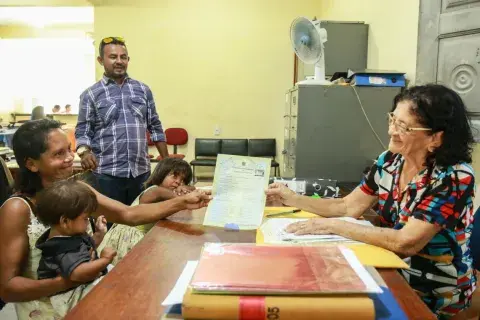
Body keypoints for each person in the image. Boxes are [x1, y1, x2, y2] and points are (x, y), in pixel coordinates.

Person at [267, 84, 476, 319]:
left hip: (432, 287)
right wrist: (290, 197)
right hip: (389, 264)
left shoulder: (454, 177)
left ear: (436, 138)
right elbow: (348, 206)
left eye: (403, 127)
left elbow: (407, 243)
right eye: (392, 120)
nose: (391, 131)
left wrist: (333, 226)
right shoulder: (390, 161)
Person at [0, 119, 209, 319]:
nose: (69, 158)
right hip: (51, 309)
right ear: (31, 163)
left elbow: (128, 214)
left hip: (89, 291)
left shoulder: (77, 190)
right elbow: (7, 289)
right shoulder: (18, 209)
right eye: (58, 154)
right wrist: (71, 280)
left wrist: (182, 202)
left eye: (69, 150)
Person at [75, 36, 169, 208]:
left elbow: (155, 126)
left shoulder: (142, 90)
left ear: (128, 60)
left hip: (141, 173)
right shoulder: (90, 95)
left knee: (141, 226)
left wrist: (166, 161)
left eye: (123, 57)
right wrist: (84, 152)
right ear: (100, 60)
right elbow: (83, 131)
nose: (119, 61)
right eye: (113, 57)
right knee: (110, 227)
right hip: (106, 174)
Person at [35, 180, 116, 317]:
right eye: (85, 219)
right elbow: (78, 273)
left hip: (82, 282)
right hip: (72, 294)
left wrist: (98, 234)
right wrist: (105, 259)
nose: (88, 221)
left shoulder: (69, 234)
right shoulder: (61, 247)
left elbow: (85, 249)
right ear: (65, 221)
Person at [98, 158, 195, 265]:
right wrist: (184, 195)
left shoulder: (167, 195)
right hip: (128, 239)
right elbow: (162, 194)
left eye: (183, 180)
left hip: (145, 235)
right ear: (161, 173)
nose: (178, 182)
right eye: (174, 176)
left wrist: (187, 189)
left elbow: (189, 191)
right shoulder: (154, 190)